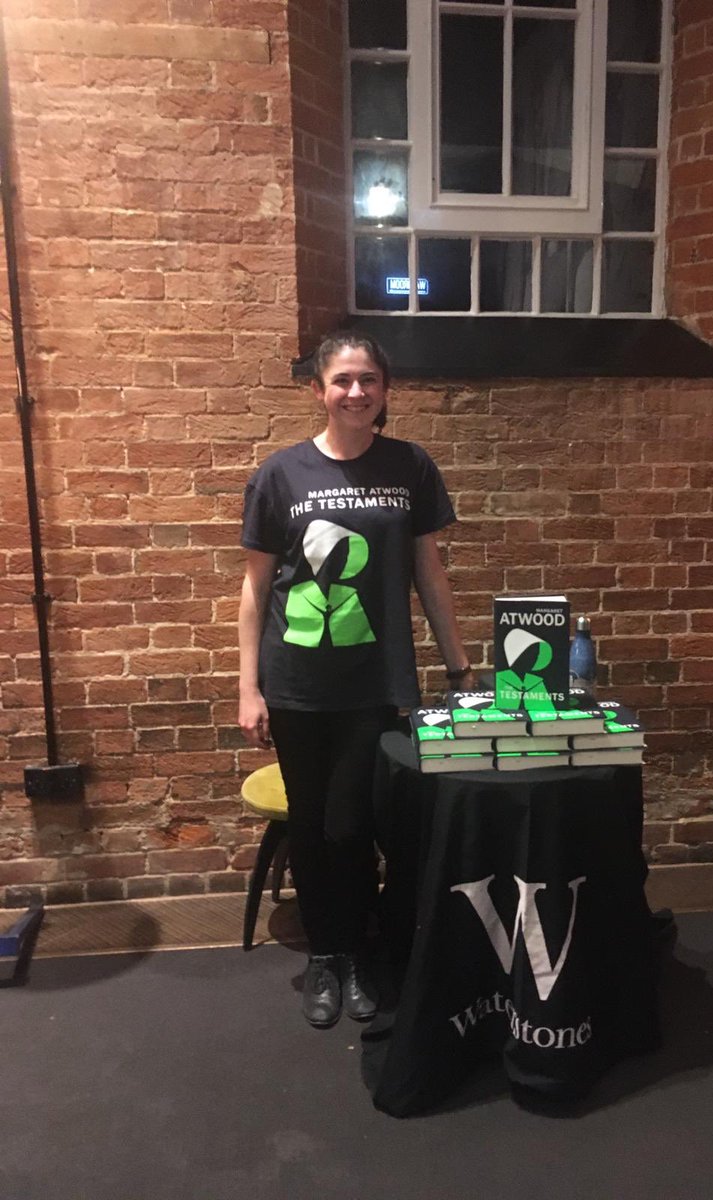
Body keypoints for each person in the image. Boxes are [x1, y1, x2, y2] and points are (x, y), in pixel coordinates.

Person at [238, 333, 474, 1029]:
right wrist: (247, 687)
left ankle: (360, 950)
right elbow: (255, 589)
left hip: (376, 683)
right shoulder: (281, 474)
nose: (356, 392)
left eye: (368, 379)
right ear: (319, 390)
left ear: (384, 389)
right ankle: (327, 954)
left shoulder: (410, 466)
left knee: (358, 823)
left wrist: (459, 665)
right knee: (312, 825)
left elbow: (429, 571)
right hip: (296, 684)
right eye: (342, 380)